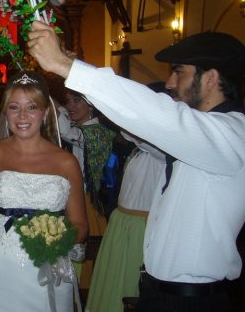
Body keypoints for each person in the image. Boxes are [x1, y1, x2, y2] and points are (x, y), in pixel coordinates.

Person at [28, 23, 245, 312]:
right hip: (160, 293)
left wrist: (67, 66)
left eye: (179, 72)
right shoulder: (197, 141)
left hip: (193, 302)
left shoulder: (232, 135)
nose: (169, 83)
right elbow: (140, 123)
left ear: (210, 79)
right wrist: (78, 72)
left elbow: (157, 114)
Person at [0, 70, 88, 312]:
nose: (23, 116)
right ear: (5, 112)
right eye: (14, 107)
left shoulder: (66, 162)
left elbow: (80, 224)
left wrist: (57, 241)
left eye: (32, 107)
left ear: (46, 112)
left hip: (47, 264)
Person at [86, 83, 168, 312]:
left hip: (141, 227)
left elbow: (140, 136)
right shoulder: (140, 149)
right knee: (113, 277)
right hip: (122, 222)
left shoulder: (163, 149)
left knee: (130, 280)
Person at [58, 90, 115, 235]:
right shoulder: (78, 128)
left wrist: (45, 98)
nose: (70, 106)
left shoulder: (98, 132)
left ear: (91, 105)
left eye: (76, 100)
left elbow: (65, 132)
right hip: (71, 199)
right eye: (67, 101)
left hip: (89, 202)